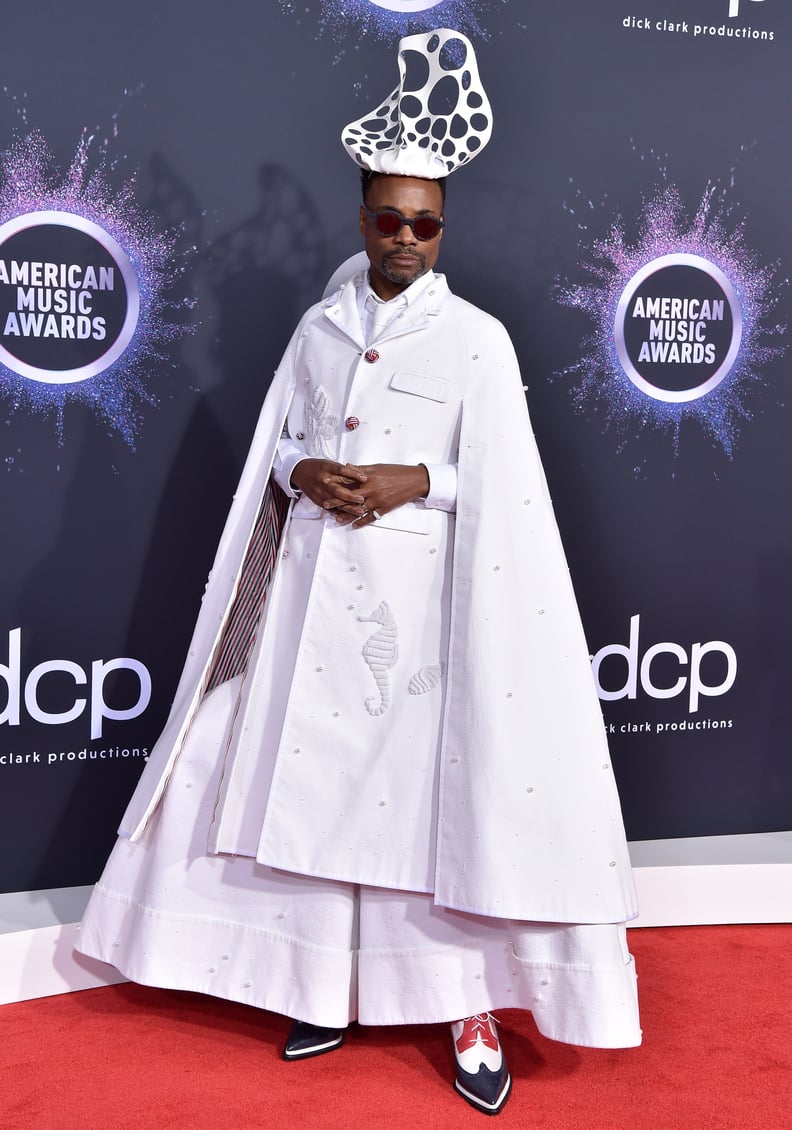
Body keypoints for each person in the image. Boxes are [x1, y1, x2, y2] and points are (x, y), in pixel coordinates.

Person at [76, 30, 640, 1116]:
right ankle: (318, 982)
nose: (407, 238)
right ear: (363, 215)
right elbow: (275, 448)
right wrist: (310, 465)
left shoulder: (479, 342)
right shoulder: (319, 326)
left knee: (424, 814)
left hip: (422, 621)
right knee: (314, 799)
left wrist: (409, 478)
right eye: (389, 218)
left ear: (444, 227)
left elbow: (509, 487)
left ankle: (466, 1006)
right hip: (309, 598)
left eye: (426, 223)